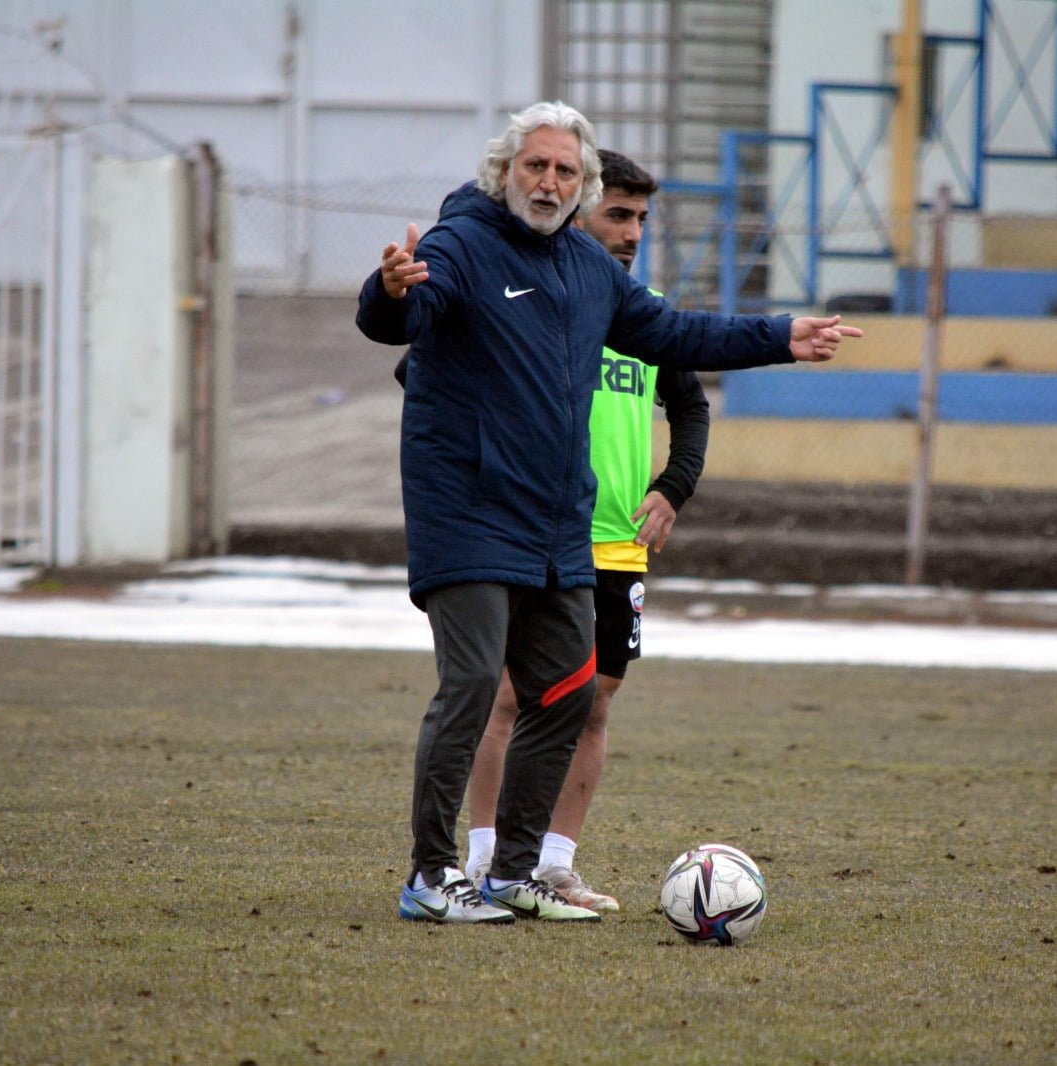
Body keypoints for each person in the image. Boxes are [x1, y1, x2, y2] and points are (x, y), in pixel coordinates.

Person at [356, 100, 859, 925]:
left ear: (579, 183)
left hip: (558, 524)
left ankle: (516, 873)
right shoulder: (461, 245)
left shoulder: (592, 273)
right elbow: (404, 313)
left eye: (563, 170)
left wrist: (779, 335)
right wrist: (388, 291)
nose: (548, 182)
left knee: (567, 693)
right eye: (535, 166)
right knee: (477, 684)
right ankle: (428, 873)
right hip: (471, 513)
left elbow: (676, 335)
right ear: (504, 172)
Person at [460, 149, 704, 912]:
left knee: (591, 704)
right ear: (576, 207)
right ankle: (485, 860)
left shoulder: (644, 311)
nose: (631, 233)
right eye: (618, 215)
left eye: (640, 218)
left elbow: (690, 406)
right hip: (528, 533)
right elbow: (431, 379)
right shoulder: (523, 299)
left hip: (617, 545)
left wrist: (672, 487)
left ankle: (556, 863)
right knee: (508, 699)